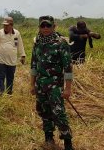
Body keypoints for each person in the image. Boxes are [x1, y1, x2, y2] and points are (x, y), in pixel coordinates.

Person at [30, 15, 74, 150]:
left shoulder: (61, 43)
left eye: (48, 26)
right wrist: (32, 85)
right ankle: (48, 137)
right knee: (44, 111)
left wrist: (67, 89)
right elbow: (33, 65)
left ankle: (67, 142)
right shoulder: (37, 42)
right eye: (42, 26)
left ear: (54, 26)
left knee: (58, 112)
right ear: (39, 27)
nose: (45, 28)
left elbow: (68, 68)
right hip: (40, 85)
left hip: (55, 86)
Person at [0, 16, 25, 95]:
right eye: (4, 25)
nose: (5, 27)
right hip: (1, 60)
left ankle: (9, 93)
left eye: (7, 25)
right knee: (0, 78)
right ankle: (1, 94)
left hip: (12, 61)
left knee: (10, 78)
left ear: (12, 25)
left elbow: (19, 45)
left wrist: (22, 56)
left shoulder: (16, 34)